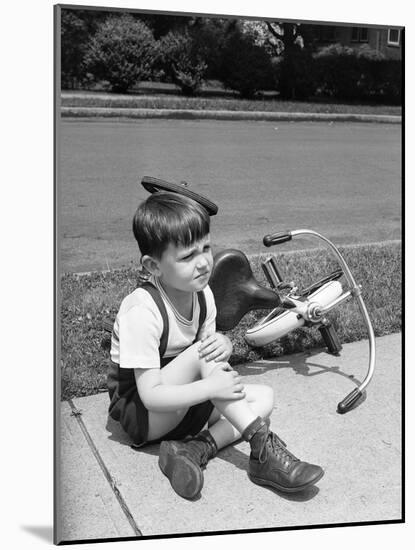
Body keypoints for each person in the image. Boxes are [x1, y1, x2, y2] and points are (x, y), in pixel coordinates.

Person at [108, 191, 324, 500]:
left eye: (206, 248)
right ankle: (262, 446)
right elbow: (151, 396)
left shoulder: (203, 295)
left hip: (183, 405)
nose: (202, 263)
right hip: (143, 414)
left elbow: (208, 361)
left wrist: (224, 342)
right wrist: (211, 389)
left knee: (265, 397)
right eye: (186, 257)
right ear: (153, 266)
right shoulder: (142, 311)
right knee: (204, 352)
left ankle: (194, 449)